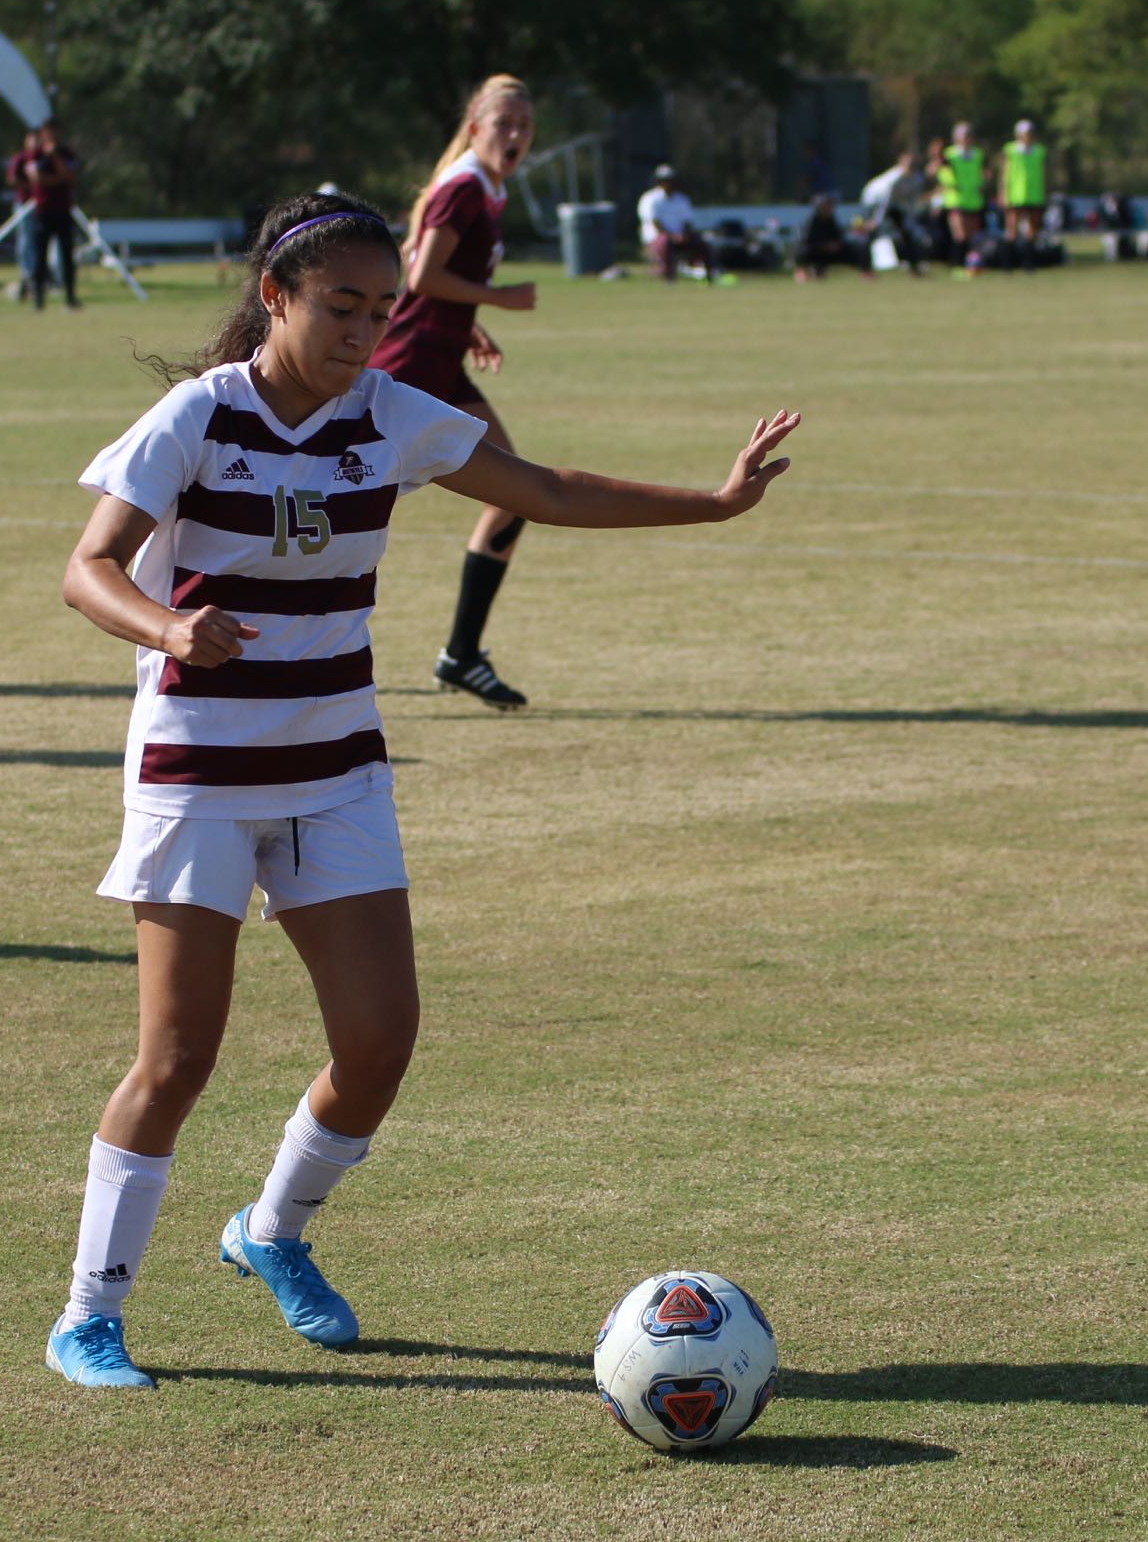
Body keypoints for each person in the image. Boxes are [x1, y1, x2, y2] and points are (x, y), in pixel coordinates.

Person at [44, 189, 799, 1387]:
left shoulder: (392, 413)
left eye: (382, 308)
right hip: (200, 774)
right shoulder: (197, 417)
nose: (364, 331)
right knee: (178, 1058)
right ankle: (90, 1313)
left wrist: (712, 501)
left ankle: (271, 1232)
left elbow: (542, 488)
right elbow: (86, 571)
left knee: (381, 1042)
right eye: (343, 305)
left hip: (336, 769)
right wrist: (169, 627)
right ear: (277, 297)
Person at [367, 75, 541, 709]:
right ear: (475, 128)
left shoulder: (480, 189)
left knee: (514, 494)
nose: (517, 135)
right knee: (339, 493)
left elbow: (429, 281)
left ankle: (462, 655)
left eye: (525, 125)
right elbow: (423, 274)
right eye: (505, 124)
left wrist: (472, 326)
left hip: (441, 359)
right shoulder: (465, 188)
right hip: (410, 364)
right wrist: (497, 298)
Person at [30, 121, 80, 311]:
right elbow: (36, 177)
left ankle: (70, 298)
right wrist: (55, 175)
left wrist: (55, 158)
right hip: (42, 211)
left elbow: (70, 177)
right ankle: (38, 300)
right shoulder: (36, 154)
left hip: (63, 210)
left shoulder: (66, 153)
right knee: (39, 258)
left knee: (67, 256)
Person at [637, 164, 715, 282]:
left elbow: (687, 222)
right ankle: (669, 278)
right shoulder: (650, 199)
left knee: (701, 243)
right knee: (665, 243)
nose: (668, 183)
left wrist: (684, 235)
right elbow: (655, 222)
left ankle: (710, 275)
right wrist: (671, 236)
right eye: (664, 180)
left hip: (680, 236)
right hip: (658, 237)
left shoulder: (682, 199)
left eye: (670, 180)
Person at [857, 148, 928, 277]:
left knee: (907, 233)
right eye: (908, 164)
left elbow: (911, 202)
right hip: (873, 202)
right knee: (869, 233)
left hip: (893, 206)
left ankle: (914, 267)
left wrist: (910, 220)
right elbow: (884, 202)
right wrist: (876, 221)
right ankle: (866, 270)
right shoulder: (894, 179)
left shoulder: (916, 179)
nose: (910, 168)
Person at [1000, 118, 1046, 270]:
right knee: (1012, 229)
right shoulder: (1011, 150)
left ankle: (1029, 264)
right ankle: (1008, 263)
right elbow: (1005, 174)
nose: (1028, 136)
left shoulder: (1039, 150)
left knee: (1032, 230)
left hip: (1034, 194)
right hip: (1016, 195)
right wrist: (1004, 193)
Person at [941, 122, 986, 271]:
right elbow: (942, 173)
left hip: (973, 199)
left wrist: (982, 183)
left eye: (969, 136)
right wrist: (953, 184)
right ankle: (957, 265)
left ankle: (970, 266)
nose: (967, 139)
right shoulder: (949, 155)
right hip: (955, 199)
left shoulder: (978, 154)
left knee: (971, 236)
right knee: (959, 234)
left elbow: (983, 173)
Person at [6, 129, 43, 302]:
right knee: (26, 238)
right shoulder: (21, 158)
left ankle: (45, 274)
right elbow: (12, 178)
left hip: (43, 204)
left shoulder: (45, 158)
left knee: (43, 240)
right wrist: (30, 183)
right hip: (24, 204)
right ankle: (27, 274)